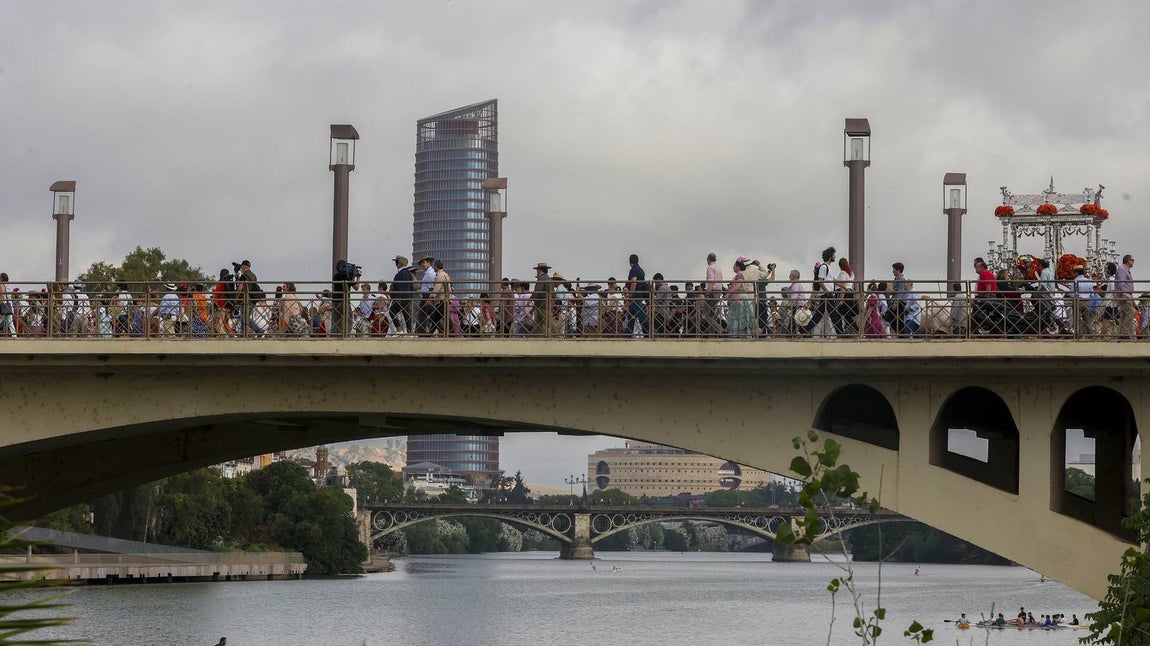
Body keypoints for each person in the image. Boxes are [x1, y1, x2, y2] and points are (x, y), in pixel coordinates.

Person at [389, 255, 416, 334]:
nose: (396, 264)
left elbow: (400, 288)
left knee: (392, 312)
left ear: (400, 263)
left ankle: (399, 330)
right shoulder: (408, 273)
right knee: (406, 315)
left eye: (396, 262)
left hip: (400, 298)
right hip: (407, 298)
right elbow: (411, 287)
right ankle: (410, 332)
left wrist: (397, 298)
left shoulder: (400, 274)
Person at [625, 254, 650, 336]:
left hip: (636, 297)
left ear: (630, 261)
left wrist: (631, 293)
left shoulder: (633, 270)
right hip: (640, 296)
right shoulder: (641, 270)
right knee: (631, 317)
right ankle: (628, 333)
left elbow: (633, 282)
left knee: (641, 316)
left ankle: (648, 332)